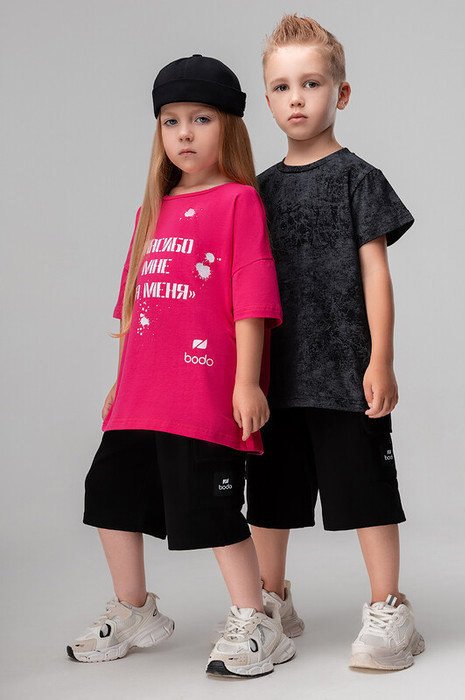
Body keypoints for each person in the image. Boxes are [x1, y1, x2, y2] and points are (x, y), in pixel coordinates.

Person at [67, 54, 296, 679]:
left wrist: (246, 380)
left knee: (210, 508)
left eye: (201, 119)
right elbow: (132, 302)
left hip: (203, 392)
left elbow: (251, 298)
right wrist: (121, 380)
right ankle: (134, 608)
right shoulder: (153, 209)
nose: (185, 134)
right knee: (109, 494)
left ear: (229, 127)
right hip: (143, 392)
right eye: (171, 121)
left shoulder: (239, 202)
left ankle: (256, 620)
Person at [245, 15, 425, 671]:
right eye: (281, 87)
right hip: (276, 375)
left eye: (311, 83)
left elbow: (376, 274)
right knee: (269, 498)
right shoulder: (258, 191)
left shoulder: (358, 178)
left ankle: (389, 608)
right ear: (267, 99)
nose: (296, 99)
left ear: (340, 94)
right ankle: (269, 601)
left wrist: (381, 359)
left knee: (365, 493)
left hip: (345, 372)